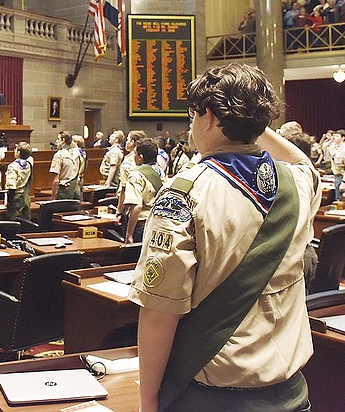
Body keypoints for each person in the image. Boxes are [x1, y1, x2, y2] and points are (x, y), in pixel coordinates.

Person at [129, 63, 319, 412]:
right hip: (292, 392)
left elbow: (160, 311)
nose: (190, 126)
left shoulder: (183, 193)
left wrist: (147, 400)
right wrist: (251, 121)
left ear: (210, 117)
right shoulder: (297, 184)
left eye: (193, 115)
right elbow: (303, 162)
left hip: (214, 398)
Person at [118, 138, 165, 243]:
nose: (133, 156)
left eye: (135, 153)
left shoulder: (136, 175)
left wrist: (129, 234)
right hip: (157, 223)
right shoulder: (160, 171)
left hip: (141, 225)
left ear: (140, 157)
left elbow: (137, 205)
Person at [4, 142, 33, 221]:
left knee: (14, 221)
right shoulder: (29, 164)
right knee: (26, 221)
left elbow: (11, 186)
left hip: (16, 198)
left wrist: (9, 202)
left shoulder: (12, 166)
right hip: (26, 196)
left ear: (18, 153)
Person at [50, 131, 82, 200]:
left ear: (63, 140)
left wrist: (52, 198)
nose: (56, 141)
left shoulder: (59, 155)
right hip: (76, 191)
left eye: (58, 139)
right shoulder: (77, 153)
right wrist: (69, 140)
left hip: (64, 192)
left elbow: (56, 180)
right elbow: (75, 146)